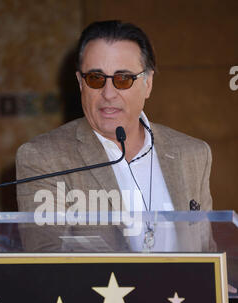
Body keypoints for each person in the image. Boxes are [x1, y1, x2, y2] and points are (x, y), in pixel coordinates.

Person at [15, 20, 213, 253]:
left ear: (147, 83)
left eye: (123, 79)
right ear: (80, 83)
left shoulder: (192, 154)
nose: (108, 94)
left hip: (182, 292)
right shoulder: (43, 159)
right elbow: (47, 264)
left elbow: (208, 253)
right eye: (96, 79)